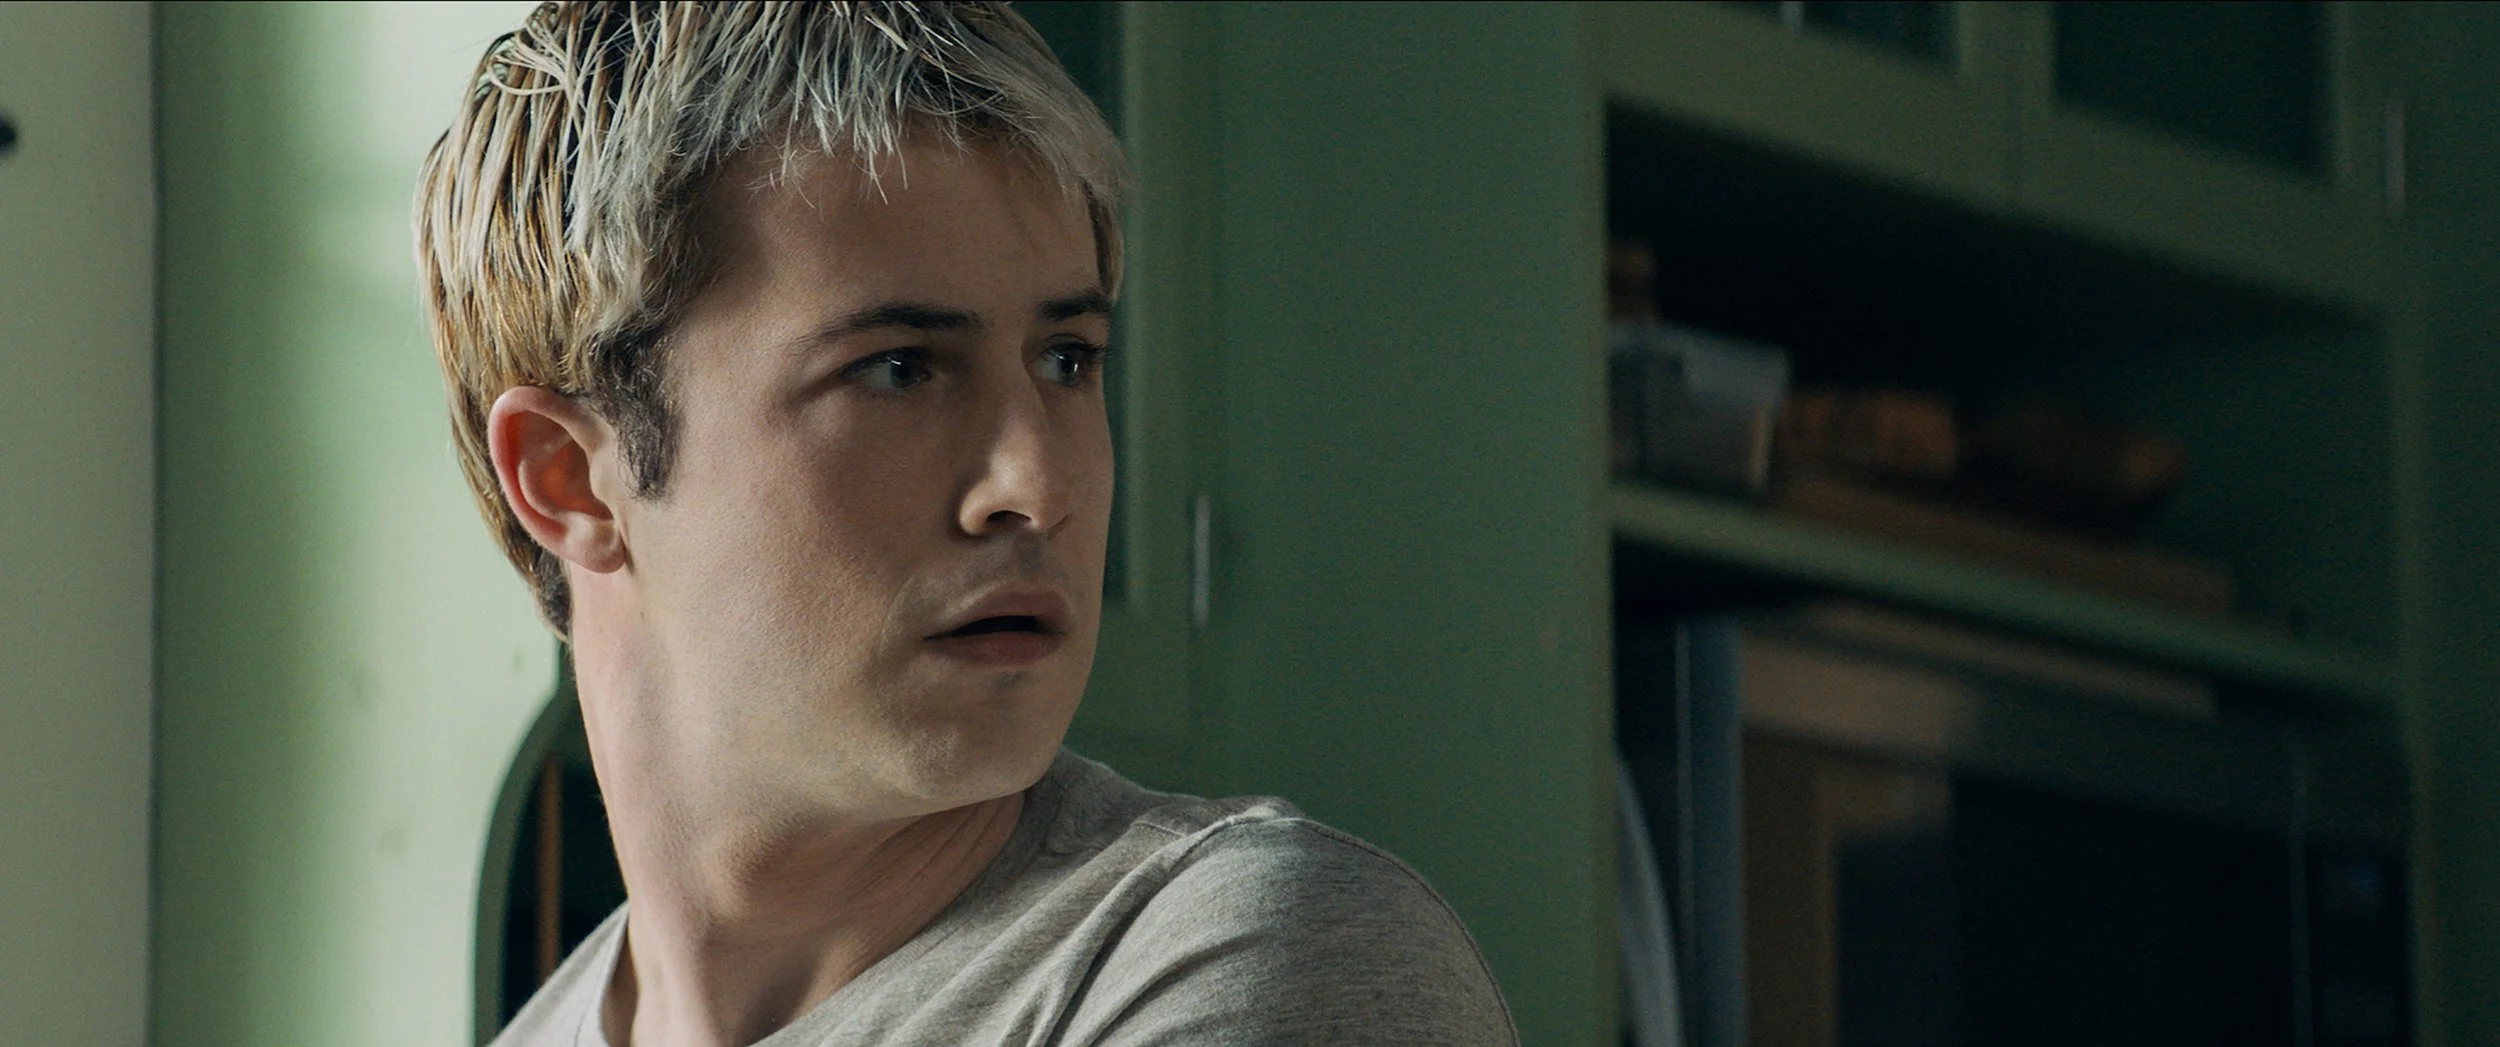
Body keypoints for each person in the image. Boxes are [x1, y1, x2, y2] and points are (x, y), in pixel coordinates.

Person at [414, 4, 1517, 1045]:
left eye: (1067, 359)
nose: (1037, 484)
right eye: (899, 369)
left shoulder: (1247, 958)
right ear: (570, 479)